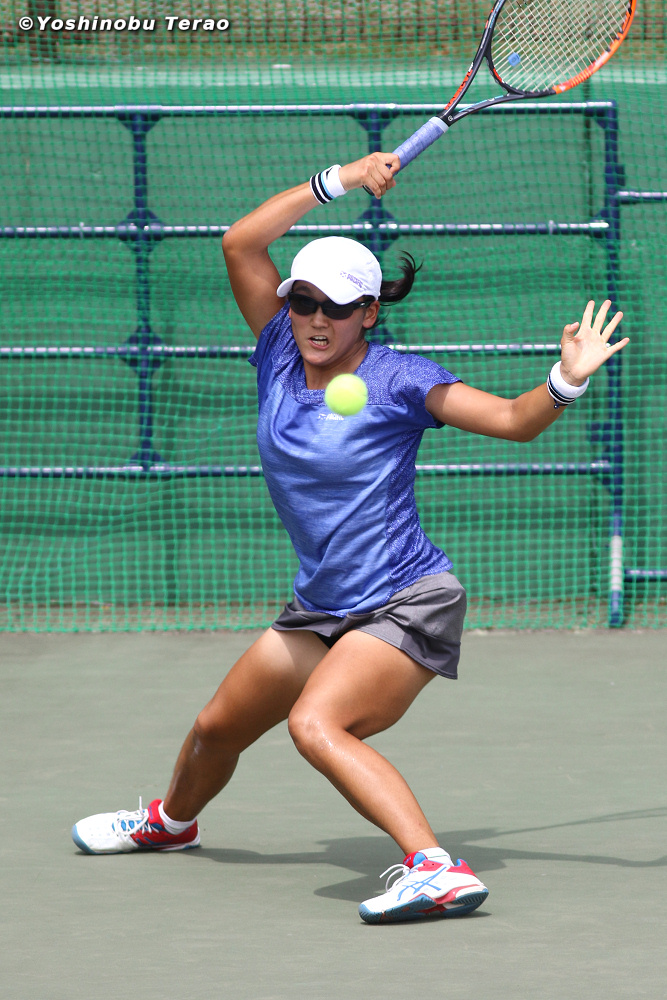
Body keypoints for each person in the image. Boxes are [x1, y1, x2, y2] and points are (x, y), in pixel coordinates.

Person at [71, 152, 628, 923]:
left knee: (314, 724)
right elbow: (239, 243)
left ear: (368, 311)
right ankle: (170, 823)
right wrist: (340, 178)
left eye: (334, 306)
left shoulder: (400, 379)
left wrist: (565, 379)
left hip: (404, 601)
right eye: (302, 301)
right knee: (215, 729)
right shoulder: (277, 350)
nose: (315, 319)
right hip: (322, 604)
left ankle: (434, 868)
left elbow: (510, 420)